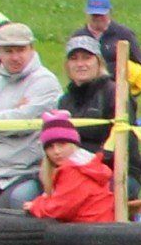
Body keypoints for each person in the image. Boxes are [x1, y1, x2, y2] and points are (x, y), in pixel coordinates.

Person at [0, 21, 63, 208]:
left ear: (31, 49)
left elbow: (21, 124)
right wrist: (11, 113)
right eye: (8, 51)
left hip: (29, 172)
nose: (15, 57)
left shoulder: (45, 82)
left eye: (20, 50)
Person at [57, 32, 136, 198]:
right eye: (74, 59)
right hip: (73, 169)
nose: (80, 64)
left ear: (98, 62)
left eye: (86, 58)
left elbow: (124, 140)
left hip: (113, 170)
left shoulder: (115, 93)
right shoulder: (65, 100)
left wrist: (89, 165)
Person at [23, 111, 117, 223]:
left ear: (73, 144)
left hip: (88, 230)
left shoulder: (74, 170)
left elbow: (59, 209)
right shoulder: (88, 163)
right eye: (50, 147)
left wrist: (35, 206)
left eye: (62, 144)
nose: (56, 151)